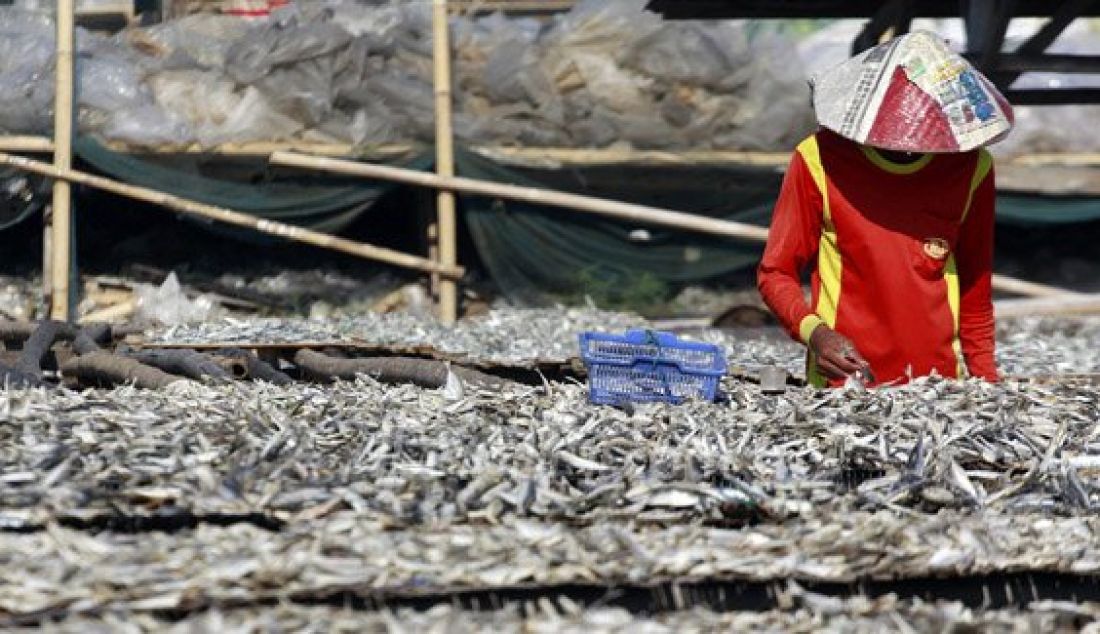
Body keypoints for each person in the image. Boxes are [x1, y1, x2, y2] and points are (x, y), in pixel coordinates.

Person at [757, 31, 1014, 387]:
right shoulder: (818, 159)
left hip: (940, 386)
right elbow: (775, 273)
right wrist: (816, 334)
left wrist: (987, 382)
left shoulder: (972, 168)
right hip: (845, 387)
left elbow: (974, 287)